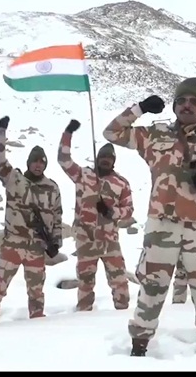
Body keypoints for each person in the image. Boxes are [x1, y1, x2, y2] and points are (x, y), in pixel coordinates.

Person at [103, 77, 196, 356]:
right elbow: (112, 133)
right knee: (153, 287)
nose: (187, 105)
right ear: (175, 104)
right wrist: (140, 108)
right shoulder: (156, 135)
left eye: (193, 101)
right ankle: (139, 345)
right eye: (182, 100)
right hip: (161, 224)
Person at [0, 116, 63, 324]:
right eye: (35, 161)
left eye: (42, 162)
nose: (38, 165)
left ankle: (36, 323)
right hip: (13, 244)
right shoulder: (15, 180)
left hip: (37, 246)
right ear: (29, 163)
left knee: (36, 292)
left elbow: (57, 215)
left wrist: (56, 243)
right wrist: (1, 131)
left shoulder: (52, 187)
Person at [57, 119, 134, 311]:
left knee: (119, 282)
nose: (106, 160)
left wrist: (112, 211)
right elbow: (63, 159)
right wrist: (68, 133)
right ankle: (84, 315)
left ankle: (122, 314)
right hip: (86, 240)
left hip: (110, 242)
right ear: (97, 158)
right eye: (103, 157)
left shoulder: (121, 183)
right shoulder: (83, 175)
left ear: (113, 161)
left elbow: (129, 211)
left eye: (109, 158)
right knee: (85, 283)